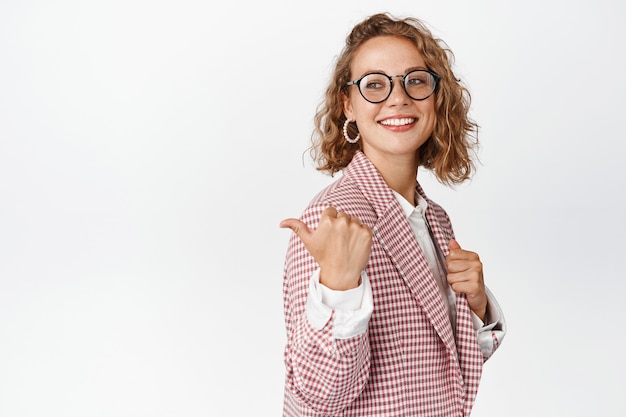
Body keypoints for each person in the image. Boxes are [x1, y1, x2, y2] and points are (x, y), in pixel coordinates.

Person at [279, 12, 506, 417]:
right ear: (348, 105)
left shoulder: (434, 218)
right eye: (375, 85)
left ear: (436, 98)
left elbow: (437, 372)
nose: (397, 98)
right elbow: (318, 394)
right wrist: (339, 287)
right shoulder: (332, 220)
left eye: (415, 80)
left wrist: (476, 305)